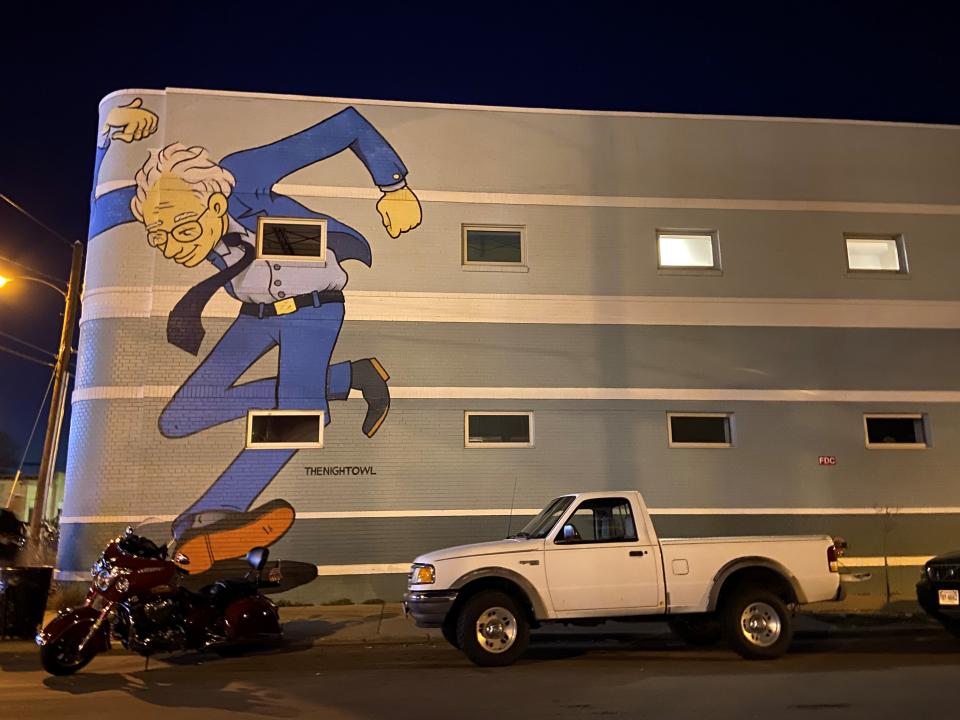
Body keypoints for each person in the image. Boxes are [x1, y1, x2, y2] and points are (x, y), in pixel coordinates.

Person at [90, 98, 422, 572]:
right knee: (179, 418)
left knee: (299, 418)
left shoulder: (240, 174)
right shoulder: (164, 200)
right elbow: (102, 213)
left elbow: (346, 125)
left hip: (313, 309)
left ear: (217, 203)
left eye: (182, 231)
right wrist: (109, 140)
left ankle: (213, 513)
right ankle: (347, 377)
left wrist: (394, 187)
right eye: (160, 237)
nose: (174, 246)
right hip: (256, 315)